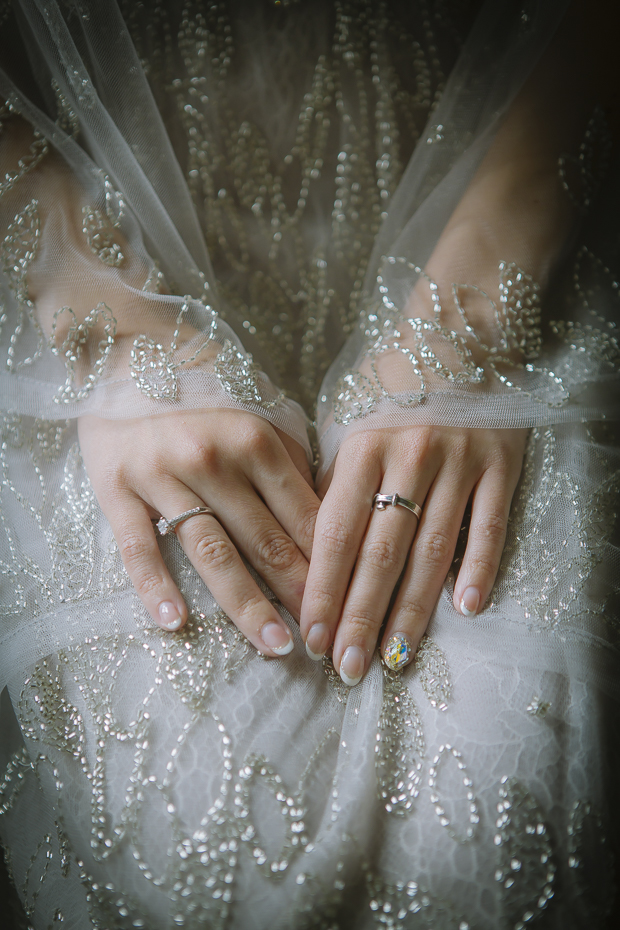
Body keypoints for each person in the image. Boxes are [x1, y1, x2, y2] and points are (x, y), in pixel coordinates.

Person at [0, 0, 618, 926]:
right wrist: (105, 318)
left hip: (503, 207)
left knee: (485, 851)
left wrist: (472, 326)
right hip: (82, 237)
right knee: (209, 871)